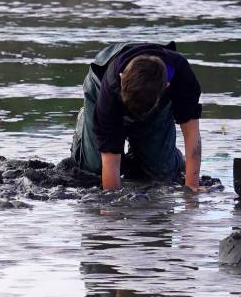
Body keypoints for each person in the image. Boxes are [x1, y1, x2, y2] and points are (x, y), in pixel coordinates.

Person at [69, 42, 203, 192]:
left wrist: (192, 185)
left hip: (154, 100)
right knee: (94, 169)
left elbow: (192, 133)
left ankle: (157, 152)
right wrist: (113, 201)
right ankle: (86, 121)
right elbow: (110, 155)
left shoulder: (182, 77)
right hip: (100, 85)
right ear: (121, 77)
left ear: (167, 86)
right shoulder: (110, 91)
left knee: (162, 172)